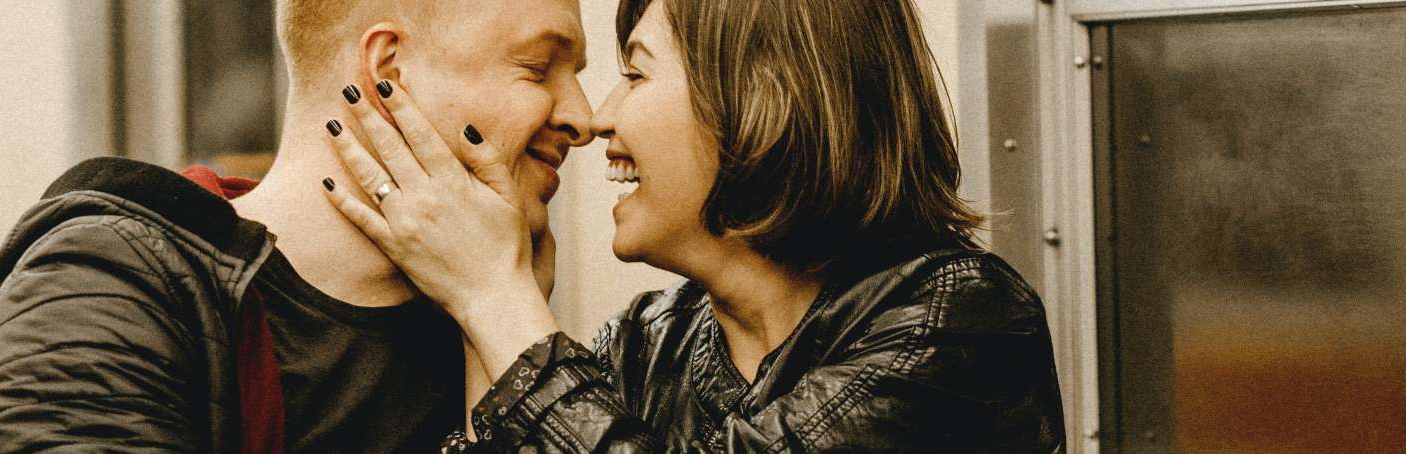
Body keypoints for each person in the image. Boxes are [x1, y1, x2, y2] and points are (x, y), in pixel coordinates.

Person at [319, 0, 1067, 451]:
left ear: (763, 95)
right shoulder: (645, 344)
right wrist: (491, 321)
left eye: (635, 73)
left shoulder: (956, 321)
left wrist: (497, 300)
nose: (599, 118)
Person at [0, 0, 593, 451]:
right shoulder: (105, 292)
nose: (584, 118)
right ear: (388, 69)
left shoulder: (497, 315)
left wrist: (498, 326)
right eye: (539, 67)